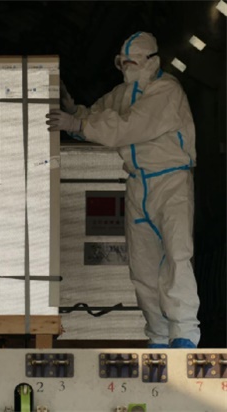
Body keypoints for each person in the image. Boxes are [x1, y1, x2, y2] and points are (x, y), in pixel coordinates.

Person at [46, 31, 199, 349]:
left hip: (171, 182)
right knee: (142, 266)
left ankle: (184, 332)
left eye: (134, 62)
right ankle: (158, 335)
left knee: (177, 256)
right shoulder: (122, 93)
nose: (127, 67)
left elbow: (129, 127)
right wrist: (75, 112)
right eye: (123, 62)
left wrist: (78, 125)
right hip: (138, 183)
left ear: (152, 61)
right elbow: (97, 115)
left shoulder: (166, 90)